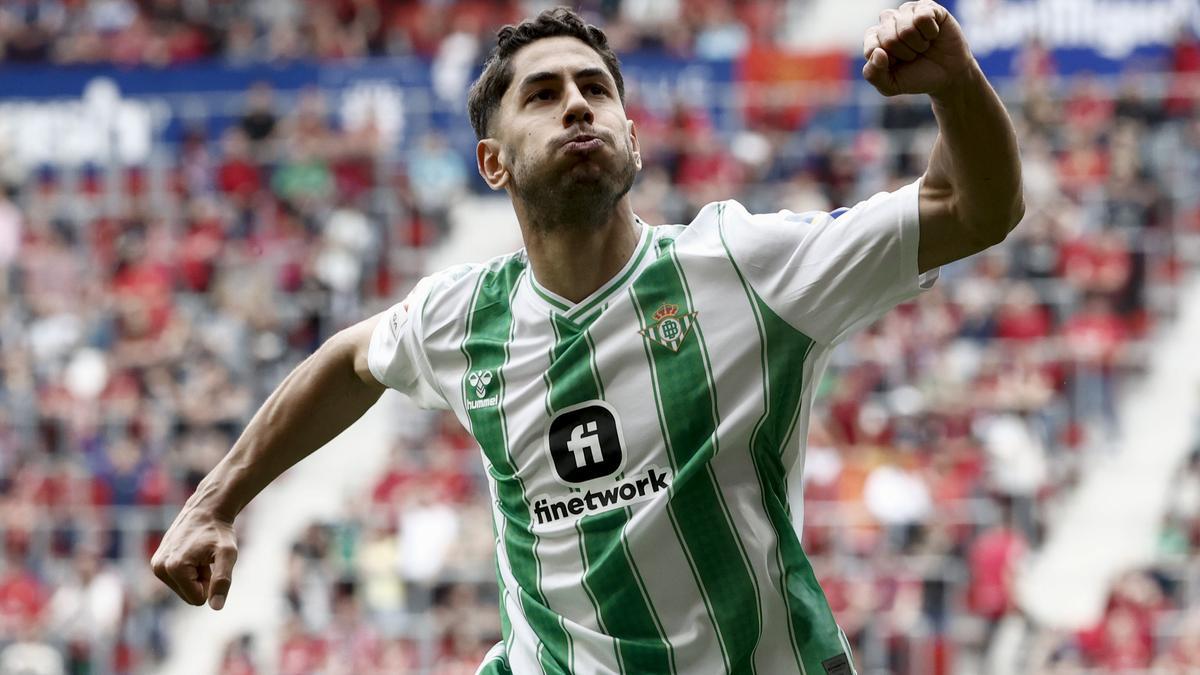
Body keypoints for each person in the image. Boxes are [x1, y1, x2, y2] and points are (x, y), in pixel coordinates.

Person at [151, 3, 1023, 673]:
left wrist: (954, 84)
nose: (577, 107)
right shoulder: (462, 318)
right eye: (544, 94)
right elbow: (349, 359)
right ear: (493, 163)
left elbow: (976, 209)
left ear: (633, 139)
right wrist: (215, 501)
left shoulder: (744, 267)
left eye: (595, 90)